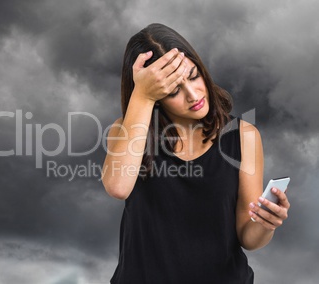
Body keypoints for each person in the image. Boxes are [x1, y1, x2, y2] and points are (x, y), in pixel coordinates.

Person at [102, 23, 290, 283]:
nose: (193, 95)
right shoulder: (126, 131)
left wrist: (265, 223)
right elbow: (117, 187)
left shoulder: (243, 136)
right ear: (155, 96)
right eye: (174, 91)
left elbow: (247, 237)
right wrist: (141, 97)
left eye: (193, 76)